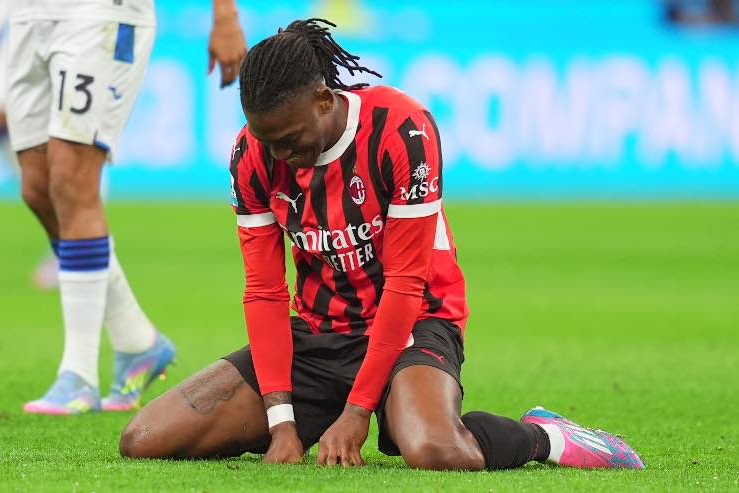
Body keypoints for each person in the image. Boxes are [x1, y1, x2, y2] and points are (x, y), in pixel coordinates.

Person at [118, 19, 645, 471]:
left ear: (324, 100)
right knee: (143, 439)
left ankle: (545, 436)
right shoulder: (251, 157)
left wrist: (357, 413)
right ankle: (317, 410)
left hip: (416, 322)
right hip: (321, 335)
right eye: (266, 141)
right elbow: (264, 293)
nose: (279, 155)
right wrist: (282, 422)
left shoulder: (401, 130)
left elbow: (407, 283)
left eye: (289, 139)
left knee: (435, 449)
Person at [6, 0, 247, 415]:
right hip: (28, 15)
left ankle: (78, 374)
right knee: (37, 189)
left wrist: (225, 14)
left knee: (71, 180)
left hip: (100, 15)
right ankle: (137, 341)